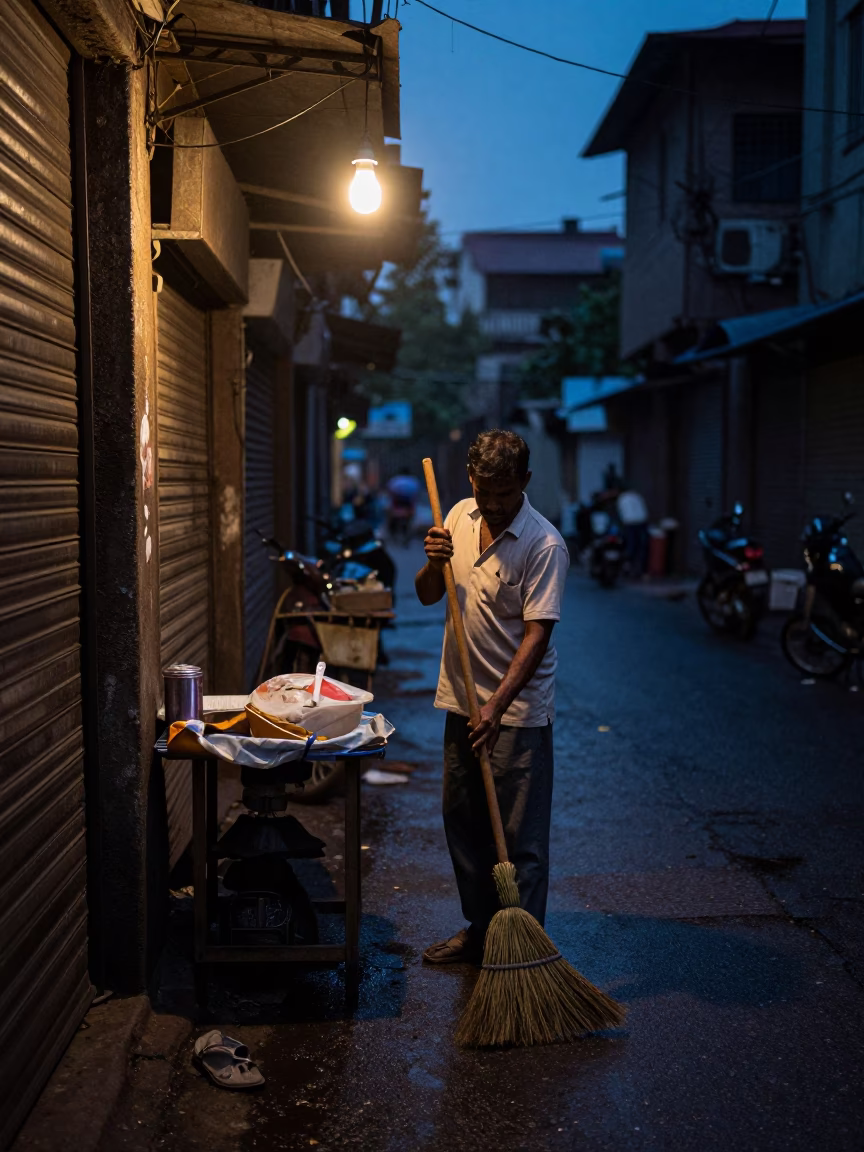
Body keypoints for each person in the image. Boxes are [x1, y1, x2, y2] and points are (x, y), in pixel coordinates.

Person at [415, 429, 570, 964]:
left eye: (505, 494)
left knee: (518, 842)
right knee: (463, 823)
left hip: (516, 713)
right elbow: (428, 594)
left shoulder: (543, 544)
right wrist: (433, 561)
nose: (495, 505)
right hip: (461, 703)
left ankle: (522, 954)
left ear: (525, 482)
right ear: (471, 481)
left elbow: (537, 635)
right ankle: (482, 930)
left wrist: (498, 707)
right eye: (486, 492)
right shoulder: (457, 516)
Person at [616, 487, 649, 577]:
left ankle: (629, 568)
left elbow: (622, 514)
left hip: (630, 523)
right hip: (641, 522)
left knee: (631, 546)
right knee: (640, 546)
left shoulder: (622, 498)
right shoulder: (636, 496)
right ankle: (640, 570)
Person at [386, 468, 421, 542]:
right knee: (409, 518)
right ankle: (406, 531)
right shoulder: (413, 480)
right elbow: (417, 493)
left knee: (391, 516)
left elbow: (390, 491)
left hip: (397, 502)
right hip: (408, 503)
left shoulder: (395, 480)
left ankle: (393, 532)